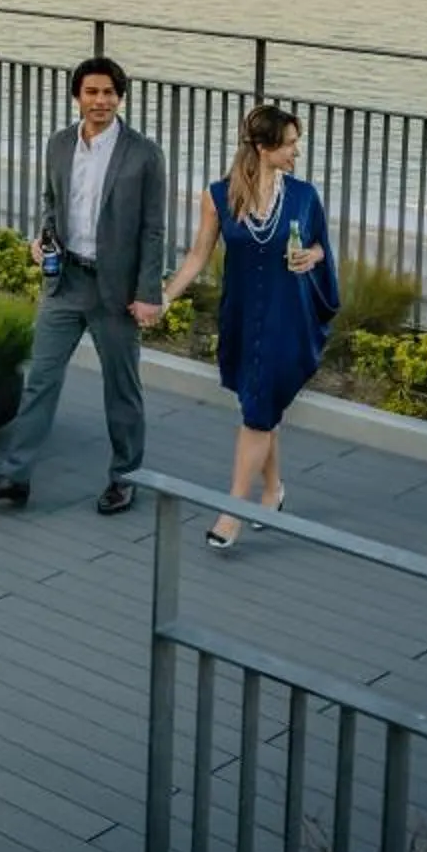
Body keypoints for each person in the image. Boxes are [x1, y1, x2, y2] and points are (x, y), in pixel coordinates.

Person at [0, 55, 167, 515]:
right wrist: (44, 238)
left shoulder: (143, 154)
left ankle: (125, 477)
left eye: (109, 93)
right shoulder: (59, 144)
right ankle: (15, 478)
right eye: (92, 92)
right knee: (40, 380)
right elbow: (52, 201)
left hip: (115, 292)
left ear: (120, 98)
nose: (101, 101)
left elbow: (154, 229)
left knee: (122, 388)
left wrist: (148, 293)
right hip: (65, 283)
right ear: (77, 96)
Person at [157, 104, 337, 549]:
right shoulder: (219, 196)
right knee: (260, 405)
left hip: (286, 318)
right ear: (263, 146)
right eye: (291, 143)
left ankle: (231, 511)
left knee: (257, 412)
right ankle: (272, 491)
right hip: (241, 315)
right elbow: (198, 257)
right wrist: (163, 297)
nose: (297, 152)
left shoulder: (304, 196)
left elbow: (320, 250)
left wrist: (310, 257)